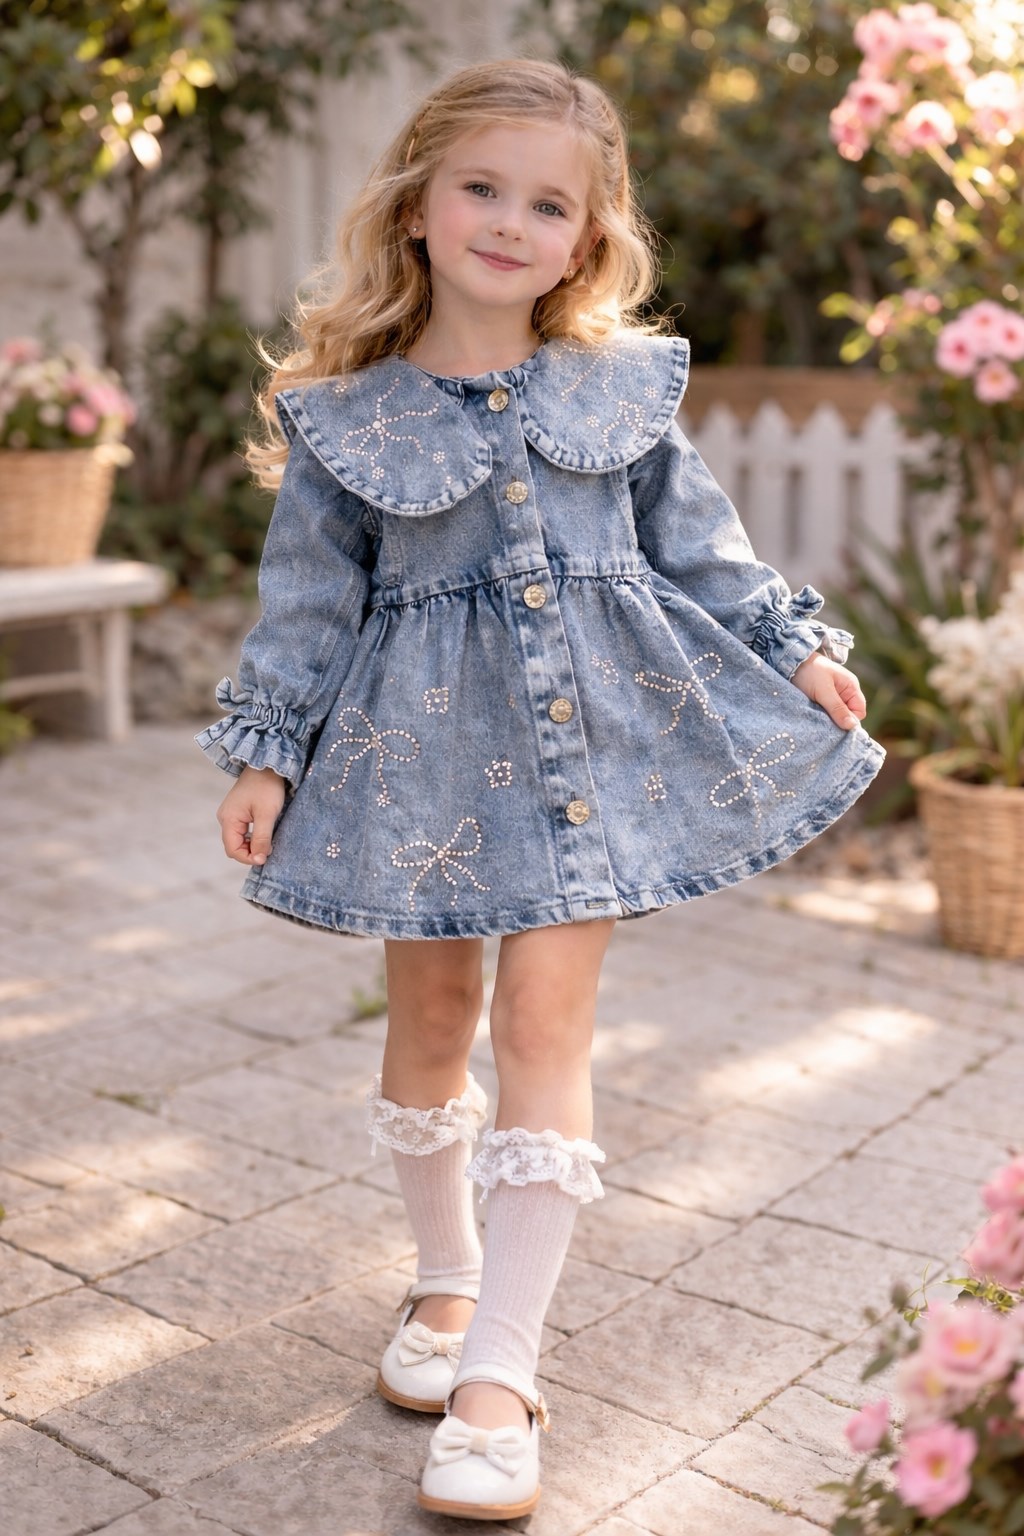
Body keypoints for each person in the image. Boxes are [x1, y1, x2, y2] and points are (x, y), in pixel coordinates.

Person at [197, 57, 885, 1521]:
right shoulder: (347, 418)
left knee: (542, 1026)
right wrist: (267, 749)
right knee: (433, 1020)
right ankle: (447, 1283)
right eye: (482, 189)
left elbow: (702, 548)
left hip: (594, 767)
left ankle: (501, 1373)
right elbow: (307, 607)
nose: (511, 222)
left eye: (549, 204)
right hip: (419, 772)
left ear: (587, 238)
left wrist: (794, 648)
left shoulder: (624, 389)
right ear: (418, 205)